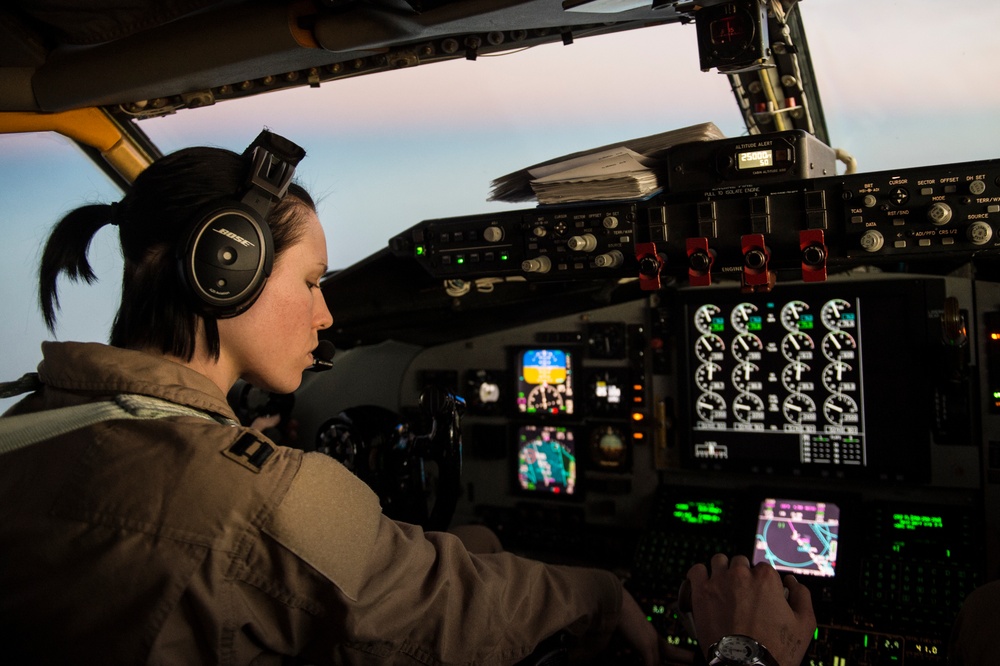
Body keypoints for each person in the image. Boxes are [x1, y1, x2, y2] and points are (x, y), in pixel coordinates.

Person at [0, 130, 814, 665]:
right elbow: (464, 613)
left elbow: (383, 572)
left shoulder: (32, 426)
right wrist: (659, 616)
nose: (326, 313)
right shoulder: (252, 498)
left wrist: (475, 547)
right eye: (313, 281)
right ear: (228, 268)